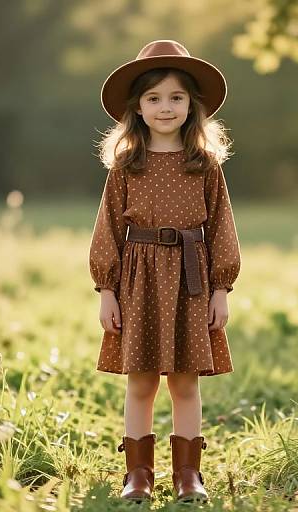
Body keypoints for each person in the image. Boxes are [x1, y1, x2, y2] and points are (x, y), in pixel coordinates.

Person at [89, 39, 241, 504]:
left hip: (192, 282)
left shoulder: (205, 165)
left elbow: (221, 229)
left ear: (191, 105)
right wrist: (105, 290)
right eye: (153, 98)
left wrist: (222, 288)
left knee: (185, 381)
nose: (165, 107)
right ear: (136, 108)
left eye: (176, 97)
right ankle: (138, 473)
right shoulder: (125, 166)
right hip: (137, 283)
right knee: (140, 380)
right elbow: (108, 230)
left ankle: (187, 474)